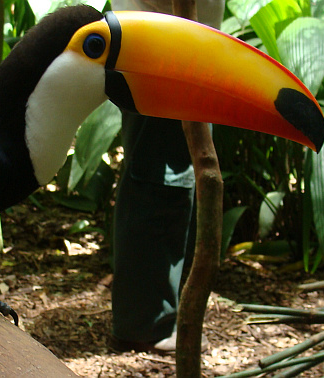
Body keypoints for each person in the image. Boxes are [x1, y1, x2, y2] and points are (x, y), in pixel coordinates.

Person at [110, 0, 225, 353]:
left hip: (171, 43)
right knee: (161, 180)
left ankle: (147, 320)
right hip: (163, 46)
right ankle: (146, 326)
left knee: (162, 175)